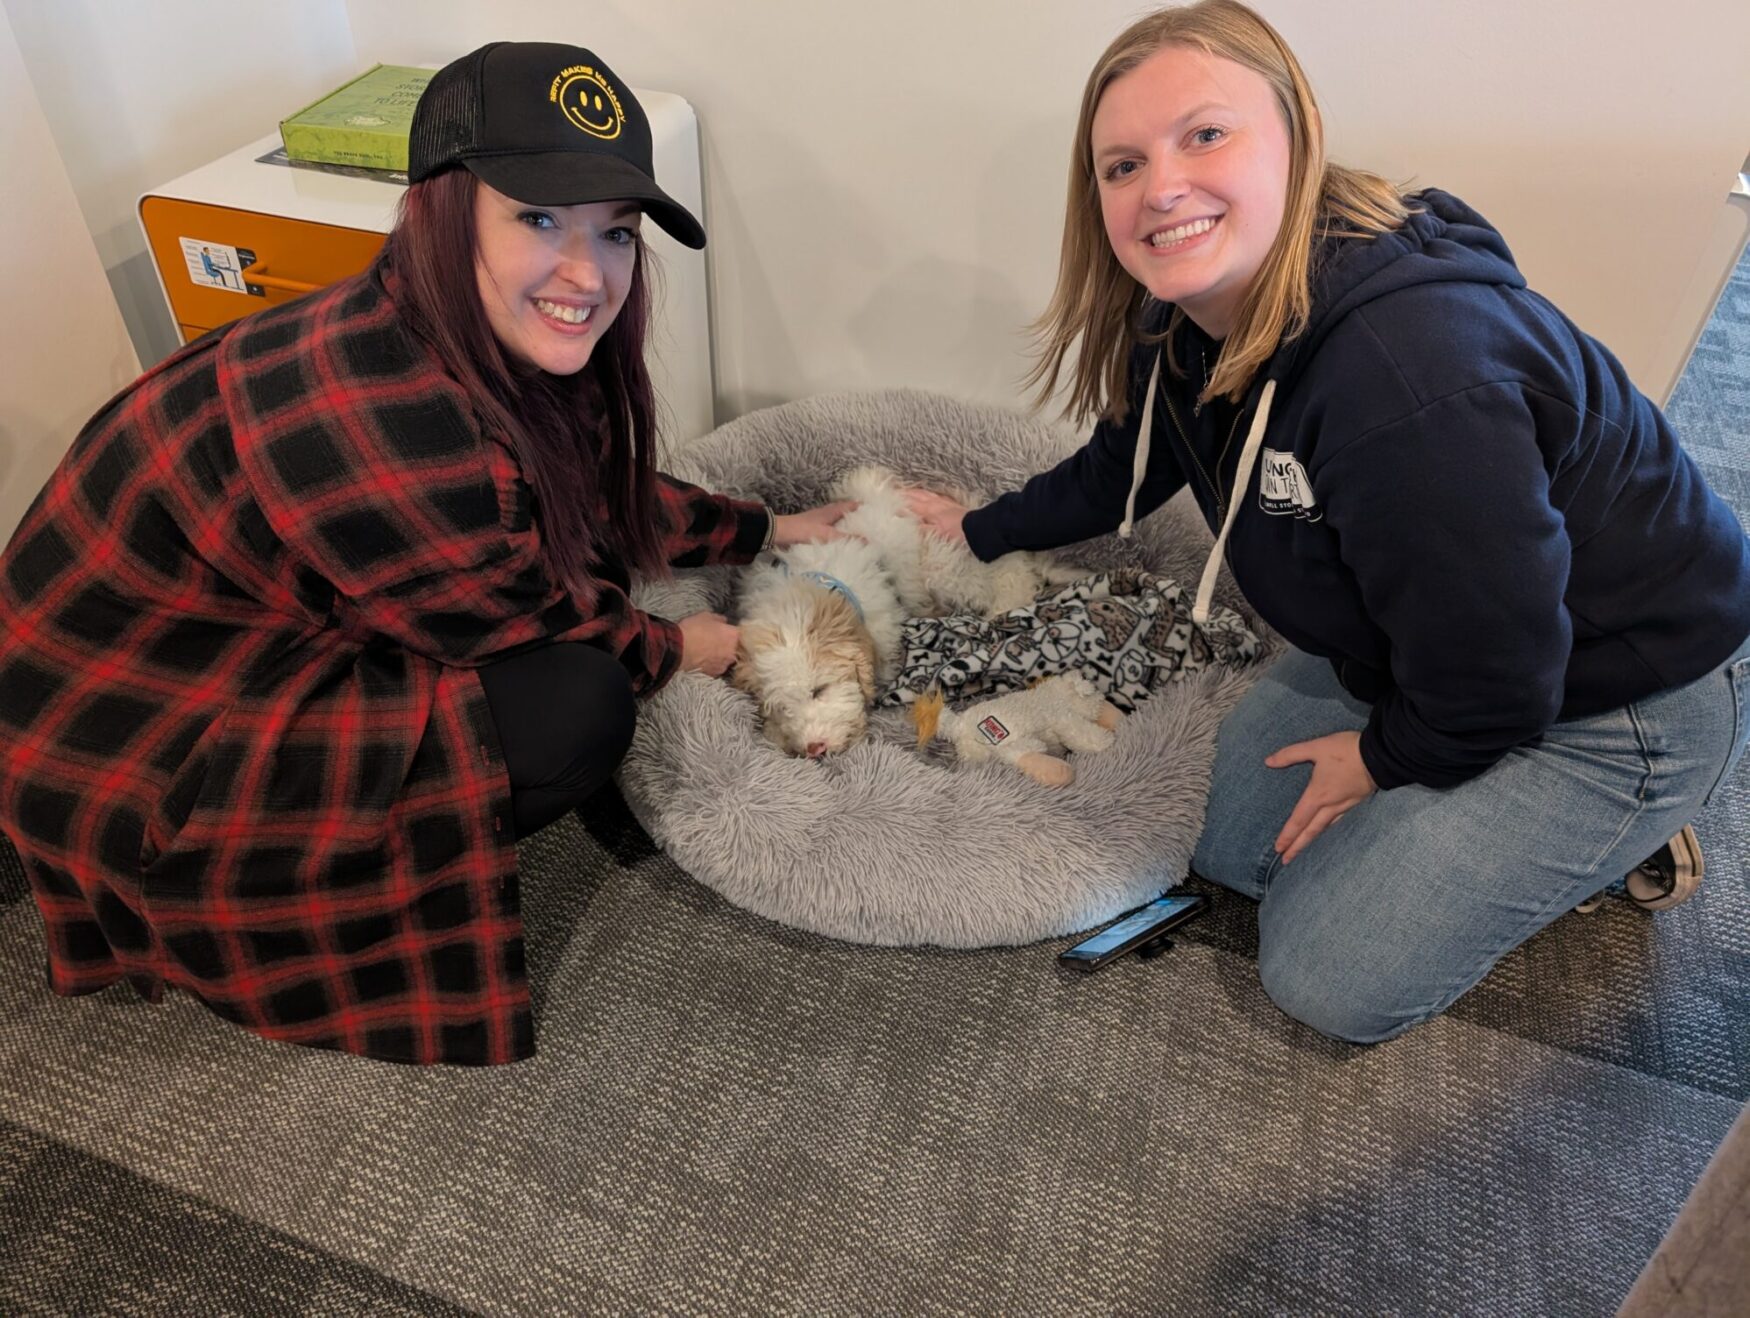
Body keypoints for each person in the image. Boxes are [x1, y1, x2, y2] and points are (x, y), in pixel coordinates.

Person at [907, 0, 1750, 1043]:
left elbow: (1499, 668)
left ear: (1295, 138)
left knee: (1321, 974)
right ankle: (1454, 800)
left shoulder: (1406, 383)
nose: (1160, 187)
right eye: (1121, 165)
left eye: (1203, 135)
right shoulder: (1180, 310)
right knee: (1219, 843)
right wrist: (975, 529)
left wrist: (1384, 759)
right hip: (1433, 648)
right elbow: (1120, 469)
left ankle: (1630, 826)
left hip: (1616, 696)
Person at [0, 42, 850, 1066]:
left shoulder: (434, 326)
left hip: (197, 637)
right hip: (134, 741)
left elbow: (583, 494)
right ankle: (281, 904)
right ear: (441, 209)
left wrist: (761, 526)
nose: (588, 274)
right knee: (579, 704)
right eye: (539, 219)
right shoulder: (396, 421)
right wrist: (689, 645)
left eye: (614, 234)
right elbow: (547, 616)